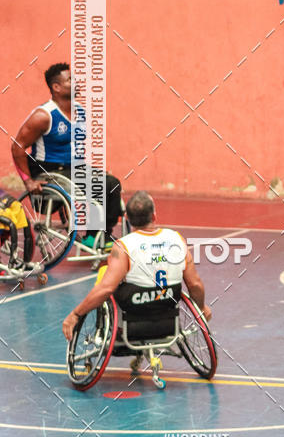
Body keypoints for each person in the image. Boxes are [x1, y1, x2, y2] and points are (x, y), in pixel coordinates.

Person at [62, 190, 211, 340]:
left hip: (133, 318)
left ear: (128, 219)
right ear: (154, 216)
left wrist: (76, 313)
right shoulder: (176, 239)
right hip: (168, 314)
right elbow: (195, 284)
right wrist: (201, 309)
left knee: (105, 271)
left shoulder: (123, 246)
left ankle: (105, 330)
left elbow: (106, 288)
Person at [11, 62, 122, 245]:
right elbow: (17, 147)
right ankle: (95, 238)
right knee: (103, 184)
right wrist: (28, 180)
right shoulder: (44, 116)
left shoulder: (80, 111)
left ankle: (99, 235)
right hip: (51, 171)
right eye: (70, 79)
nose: (76, 81)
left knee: (110, 182)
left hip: (72, 168)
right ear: (56, 87)